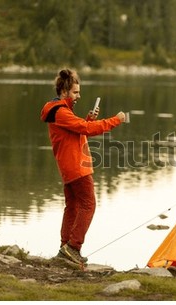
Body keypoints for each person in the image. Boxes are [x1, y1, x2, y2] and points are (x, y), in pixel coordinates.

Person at [40, 69, 125, 265]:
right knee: (89, 205)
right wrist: (116, 120)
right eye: (76, 92)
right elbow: (85, 130)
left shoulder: (60, 110)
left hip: (70, 167)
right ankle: (73, 247)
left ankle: (65, 249)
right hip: (77, 168)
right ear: (64, 92)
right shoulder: (61, 112)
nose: (79, 96)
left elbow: (78, 130)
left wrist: (88, 120)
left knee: (73, 207)